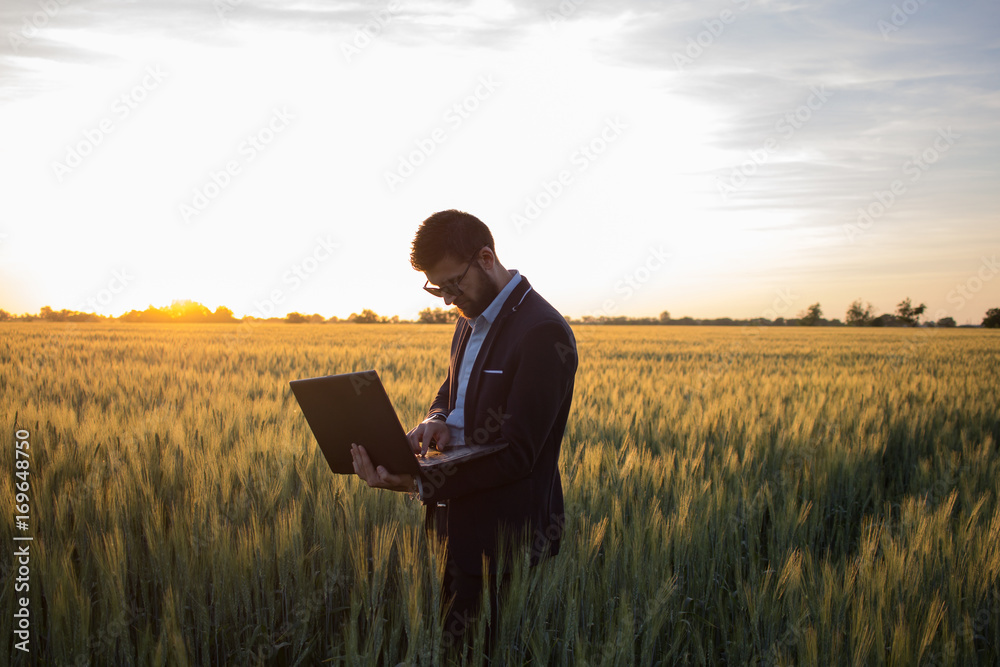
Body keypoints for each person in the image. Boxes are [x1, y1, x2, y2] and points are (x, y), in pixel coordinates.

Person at [350, 209, 578, 653]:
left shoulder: (541, 331)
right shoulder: (469, 316)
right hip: (453, 523)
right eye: (438, 288)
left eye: (454, 284)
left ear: (486, 257)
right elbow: (454, 385)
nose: (447, 298)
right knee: (453, 650)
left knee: (486, 652)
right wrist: (438, 418)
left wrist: (419, 478)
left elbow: (517, 454)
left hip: (505, 538)